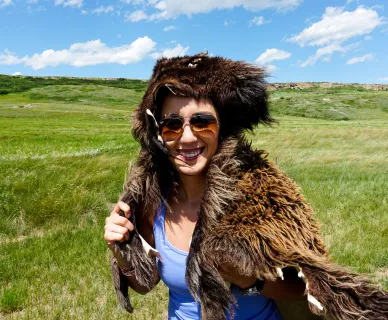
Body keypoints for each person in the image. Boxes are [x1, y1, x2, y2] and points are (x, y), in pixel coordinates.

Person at [104, 54, 388, 320]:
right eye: (172, 125)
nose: (187, 137)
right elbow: (146, 284)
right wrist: (121, 249)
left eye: (202, 122)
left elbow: (305, 286)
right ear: (157, 132)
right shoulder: (153, 199)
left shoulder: (263, 193)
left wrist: (250, 281)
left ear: (222, 126)